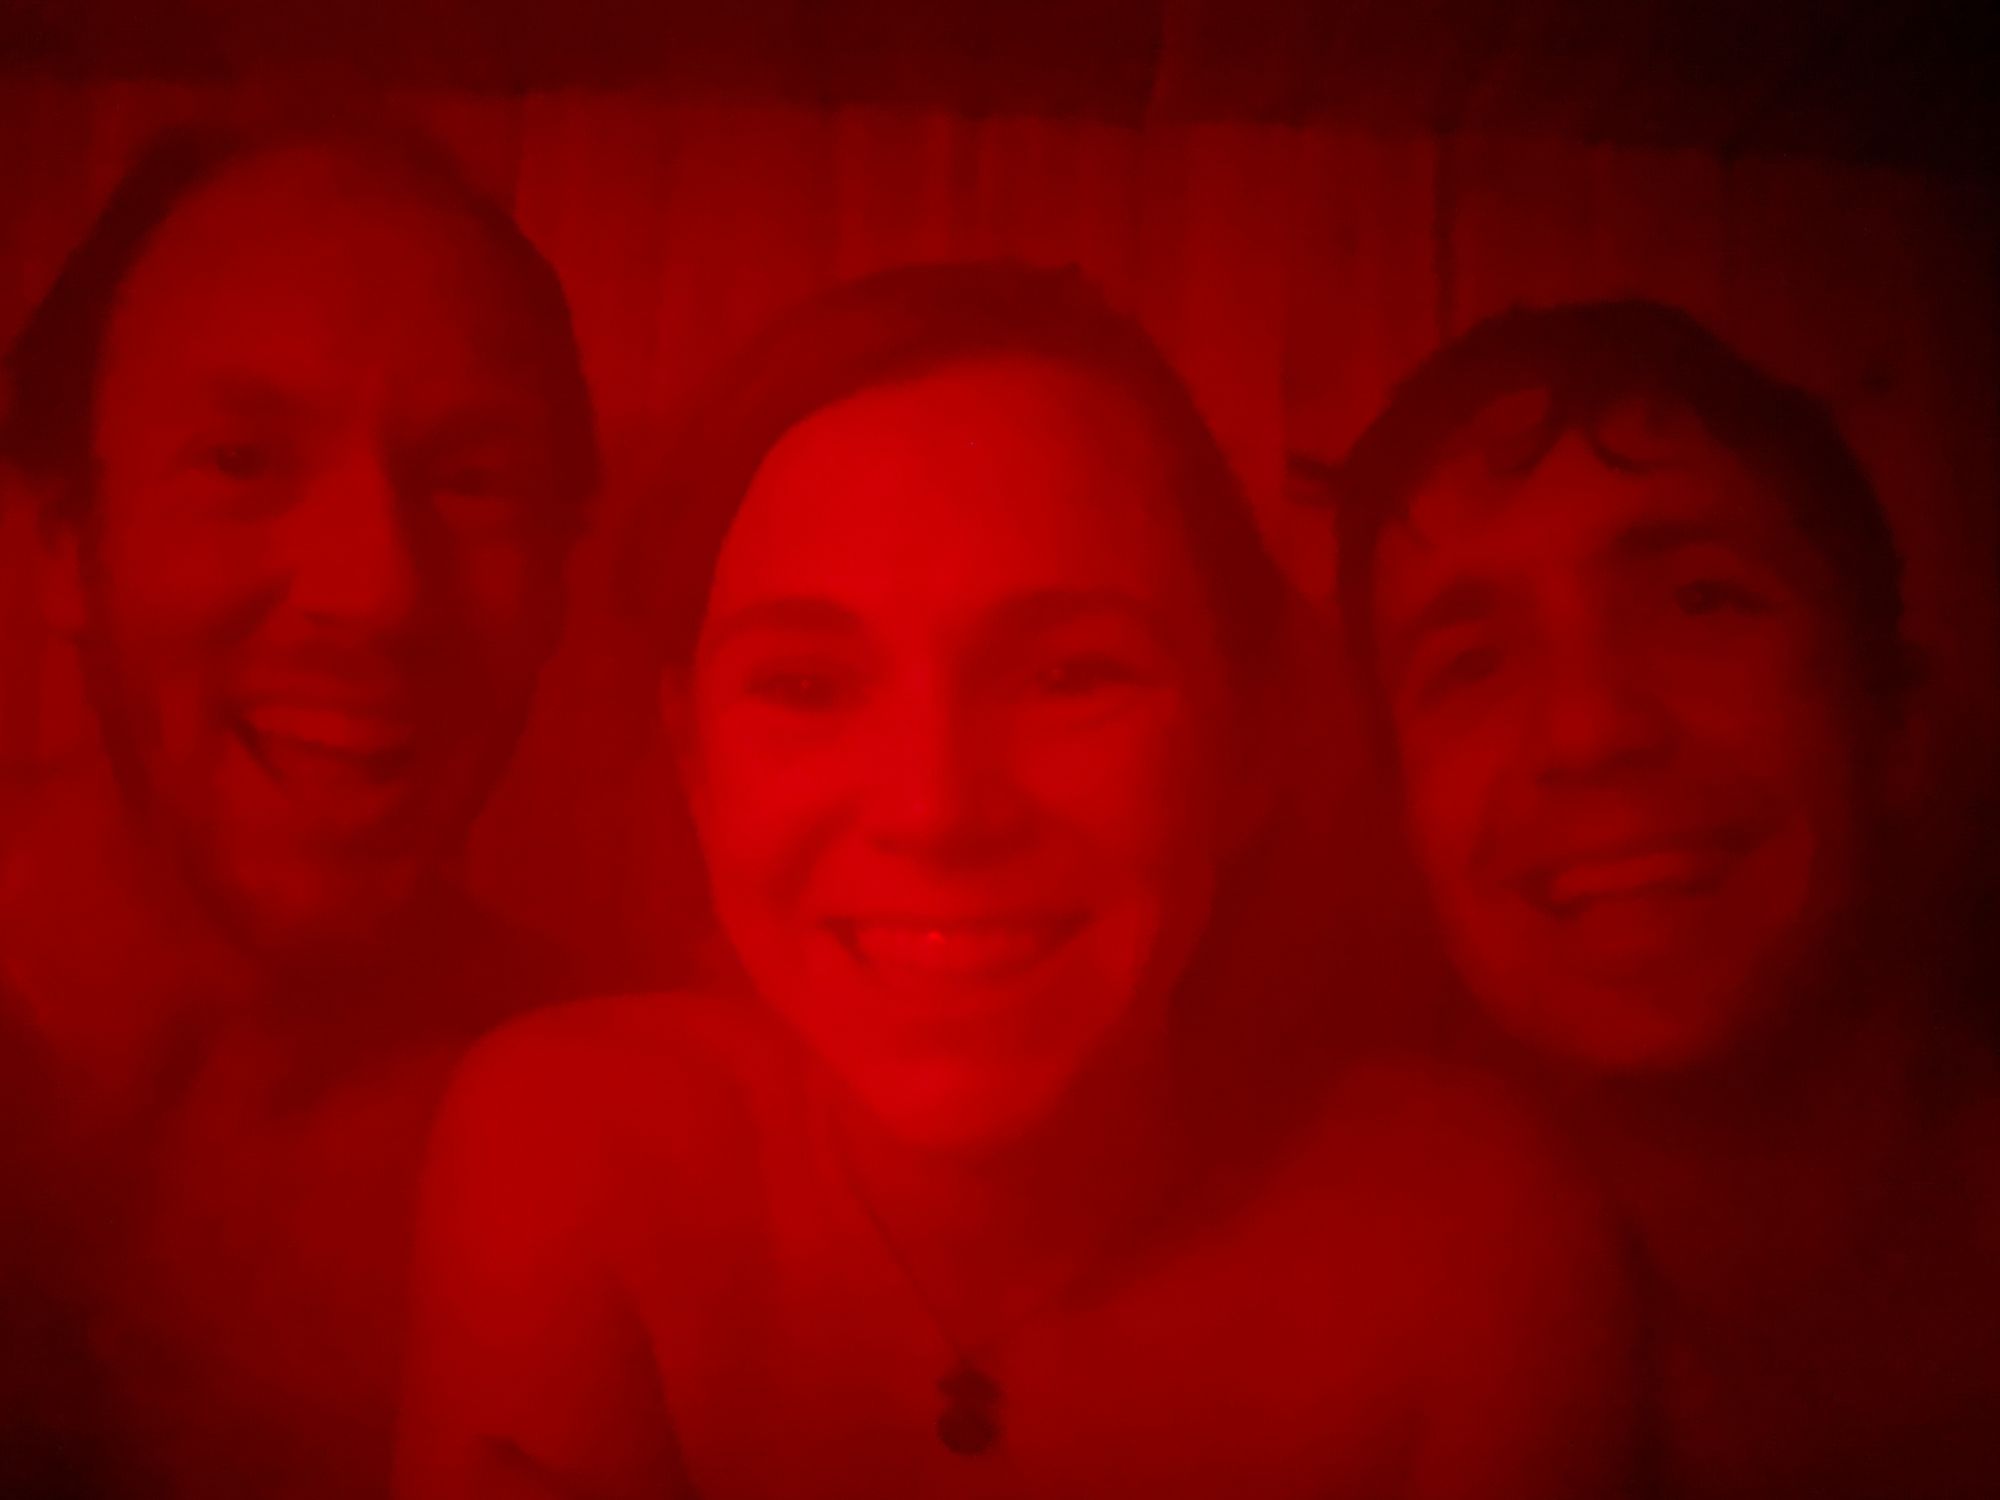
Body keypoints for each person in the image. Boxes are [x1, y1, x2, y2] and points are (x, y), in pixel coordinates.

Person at [395, 262, 1638, 1500]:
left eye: (1067, 675)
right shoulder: (566, 1157)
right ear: (693, 764)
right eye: (806, 685)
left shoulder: (1466, 1243)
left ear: (1246, 740)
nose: (934, 809)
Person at [0, 118, 602, 1498]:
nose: (375, 591)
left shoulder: (616, 1147)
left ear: (559, 591)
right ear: (64, 544)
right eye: (241, 460)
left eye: (470, 478)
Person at [1332, 299, 2000, 1500]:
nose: (1589, 730)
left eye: (1700, 600)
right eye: (1468, 663)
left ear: (1893, 723)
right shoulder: (1368, 1367)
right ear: (1400, 826)